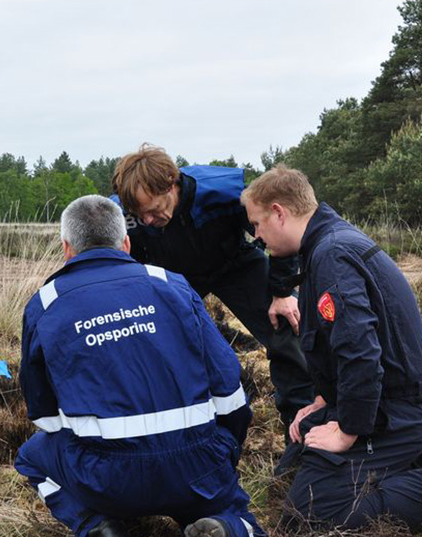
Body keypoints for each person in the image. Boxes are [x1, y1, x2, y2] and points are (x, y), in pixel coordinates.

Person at [14, 195, 265, 537]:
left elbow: (43, 417)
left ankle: (99, 530)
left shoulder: (46, 304)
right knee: (242, 519)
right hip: (197, 468)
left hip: (107, 478)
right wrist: (222, 453)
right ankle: (227, 529)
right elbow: (230, 388)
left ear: (66, 249)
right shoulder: (173, 286)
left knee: (32, 458)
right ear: (126, 243)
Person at [241, 166, 422, 530]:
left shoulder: (332, 255)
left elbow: (360, 353)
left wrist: (347, 430)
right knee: (296, 460)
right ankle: (415, 457)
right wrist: (322, 403)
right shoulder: (326, 246)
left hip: (398, 409)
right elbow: (341, 346)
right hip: (383, 401)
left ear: (279, 212)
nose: (257, 238)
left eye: (257, 225)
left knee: (308, 514)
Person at [110, 145, 314, 435]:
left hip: (235, 264)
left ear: (172, 183)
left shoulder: (222, 194)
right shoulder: (121, 214)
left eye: (155, 211)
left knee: (286, 328)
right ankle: (176, 426)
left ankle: (301, 427)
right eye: (140, 215)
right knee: (154, 345)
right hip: (171, 277)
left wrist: (282, 292)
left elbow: (280, 237)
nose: (148, 221)